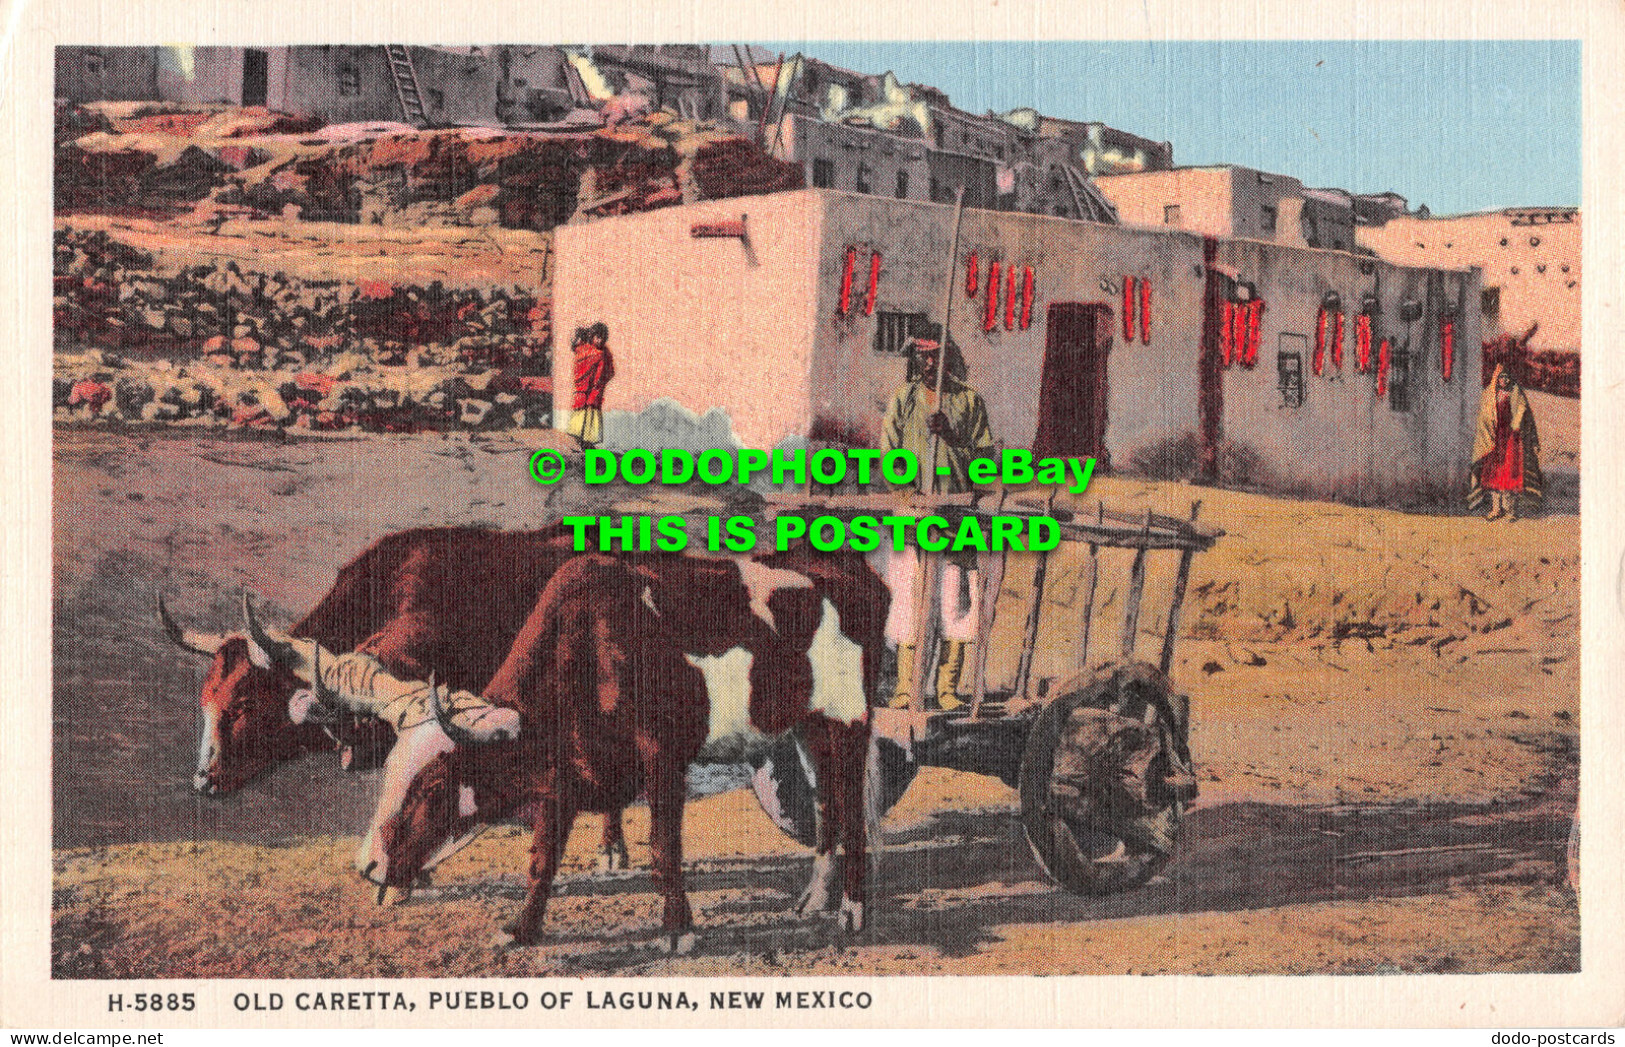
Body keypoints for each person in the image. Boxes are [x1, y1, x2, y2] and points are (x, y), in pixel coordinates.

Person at [880, 335, 996, 711]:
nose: (928, 364)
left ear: (948, 357)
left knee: (956, 603)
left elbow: (985, 460)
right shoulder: (904, 399)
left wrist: (950, 435)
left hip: (956, 514)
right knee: (907, 603)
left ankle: (947, 688)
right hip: (914, 515)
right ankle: (905, 687)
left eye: (934, 356)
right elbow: (890, 454)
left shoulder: (969, 401)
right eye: (922, 357)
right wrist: (906, 493)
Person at [1469, 363, 1542, 521]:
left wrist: (1516, 423)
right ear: (1496, 379)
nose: (1504, 380)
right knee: (1493, 473)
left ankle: (1510, 511)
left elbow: (1522, 409)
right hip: (1494, 439)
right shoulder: (1489, 394)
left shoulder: (1516, 393)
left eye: (1507, 377)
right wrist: (1488, 429)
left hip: (1511, 439)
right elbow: (1484, 416)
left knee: (1510, 473)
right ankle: (1496, 509)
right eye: (1501, 377)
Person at [565, 322, 614, 449]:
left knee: (590, 417)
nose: (600, 340)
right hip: (583, 389)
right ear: (592, 337)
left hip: (594, 390)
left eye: (602, 338)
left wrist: (598, 385)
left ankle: (586, 443)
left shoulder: (602, 352)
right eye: (597, 337)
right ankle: (579, 442)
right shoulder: (588, 350)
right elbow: (580, 366)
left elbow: (608, 372)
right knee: (581, 417)